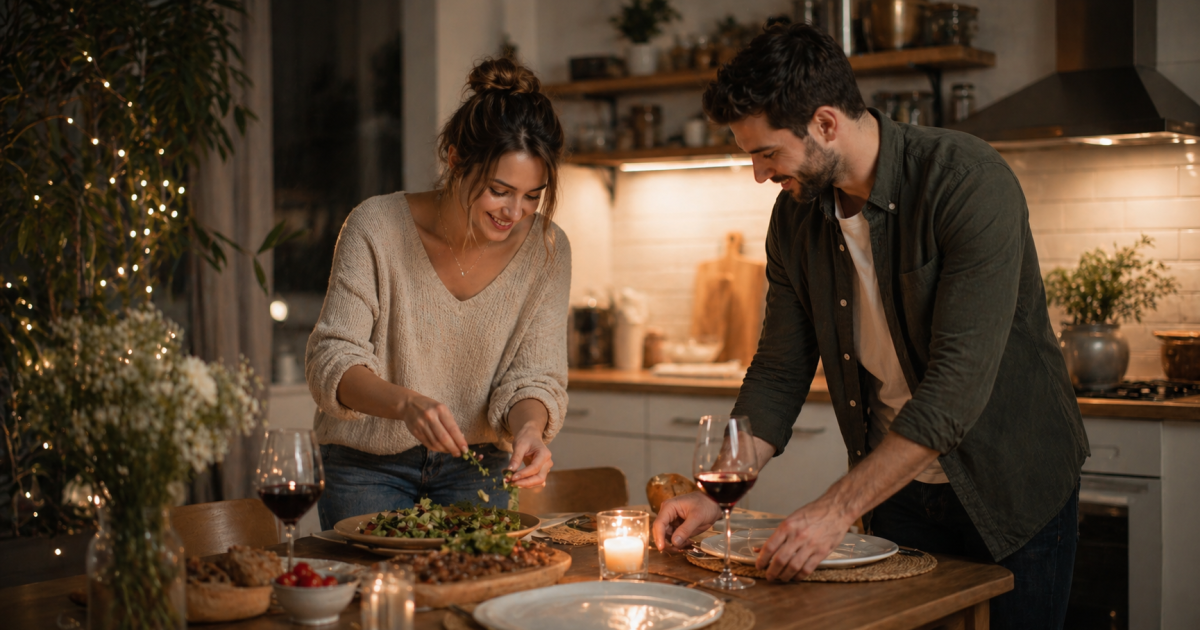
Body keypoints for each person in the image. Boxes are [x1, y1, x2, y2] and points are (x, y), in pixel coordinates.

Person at [652, 23, 1089, 629]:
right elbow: (779, 372)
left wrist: (833, 511)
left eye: (766, 153)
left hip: (1011, 490)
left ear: (826, 124)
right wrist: (715, 490)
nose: (757, 174)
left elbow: (953, 393)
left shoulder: (965, 180)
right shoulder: (795, 219)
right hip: (897, 498)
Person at [306, 57, 570, 529]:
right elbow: (332, 361)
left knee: (472, 594)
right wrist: (407, 404)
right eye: (499, 190)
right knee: (378, 599)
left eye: (532, 196)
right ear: (454, 158)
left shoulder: (546, 250)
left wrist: (530, 429)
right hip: (366, 466)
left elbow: (535, 378)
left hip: (480, 466)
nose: (515, 212)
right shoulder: (376, 227)